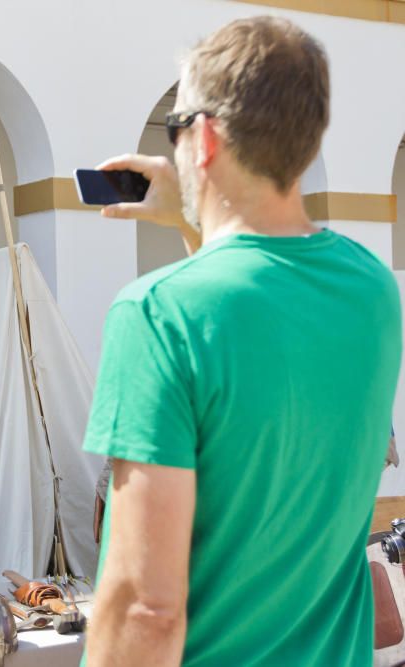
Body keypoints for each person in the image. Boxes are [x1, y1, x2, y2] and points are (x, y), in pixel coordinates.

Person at [83, 16, 401, 666]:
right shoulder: (372, 289)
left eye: (175, 131)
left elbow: (147, 608)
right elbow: (260, 305)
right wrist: (195, 220)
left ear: (202, 139)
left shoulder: (157, 313)